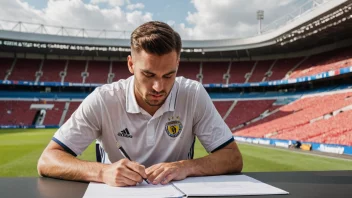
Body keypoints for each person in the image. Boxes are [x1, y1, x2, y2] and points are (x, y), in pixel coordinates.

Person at [37, 21, 243, 187]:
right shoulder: (103, 99)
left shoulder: (193, 94)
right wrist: (102, 172)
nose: (158, 87)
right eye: (148, 74)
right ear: (131, 64)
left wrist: (185, 167)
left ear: (178, 64)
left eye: (169, 75)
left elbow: (233, 158)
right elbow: (48, 160)